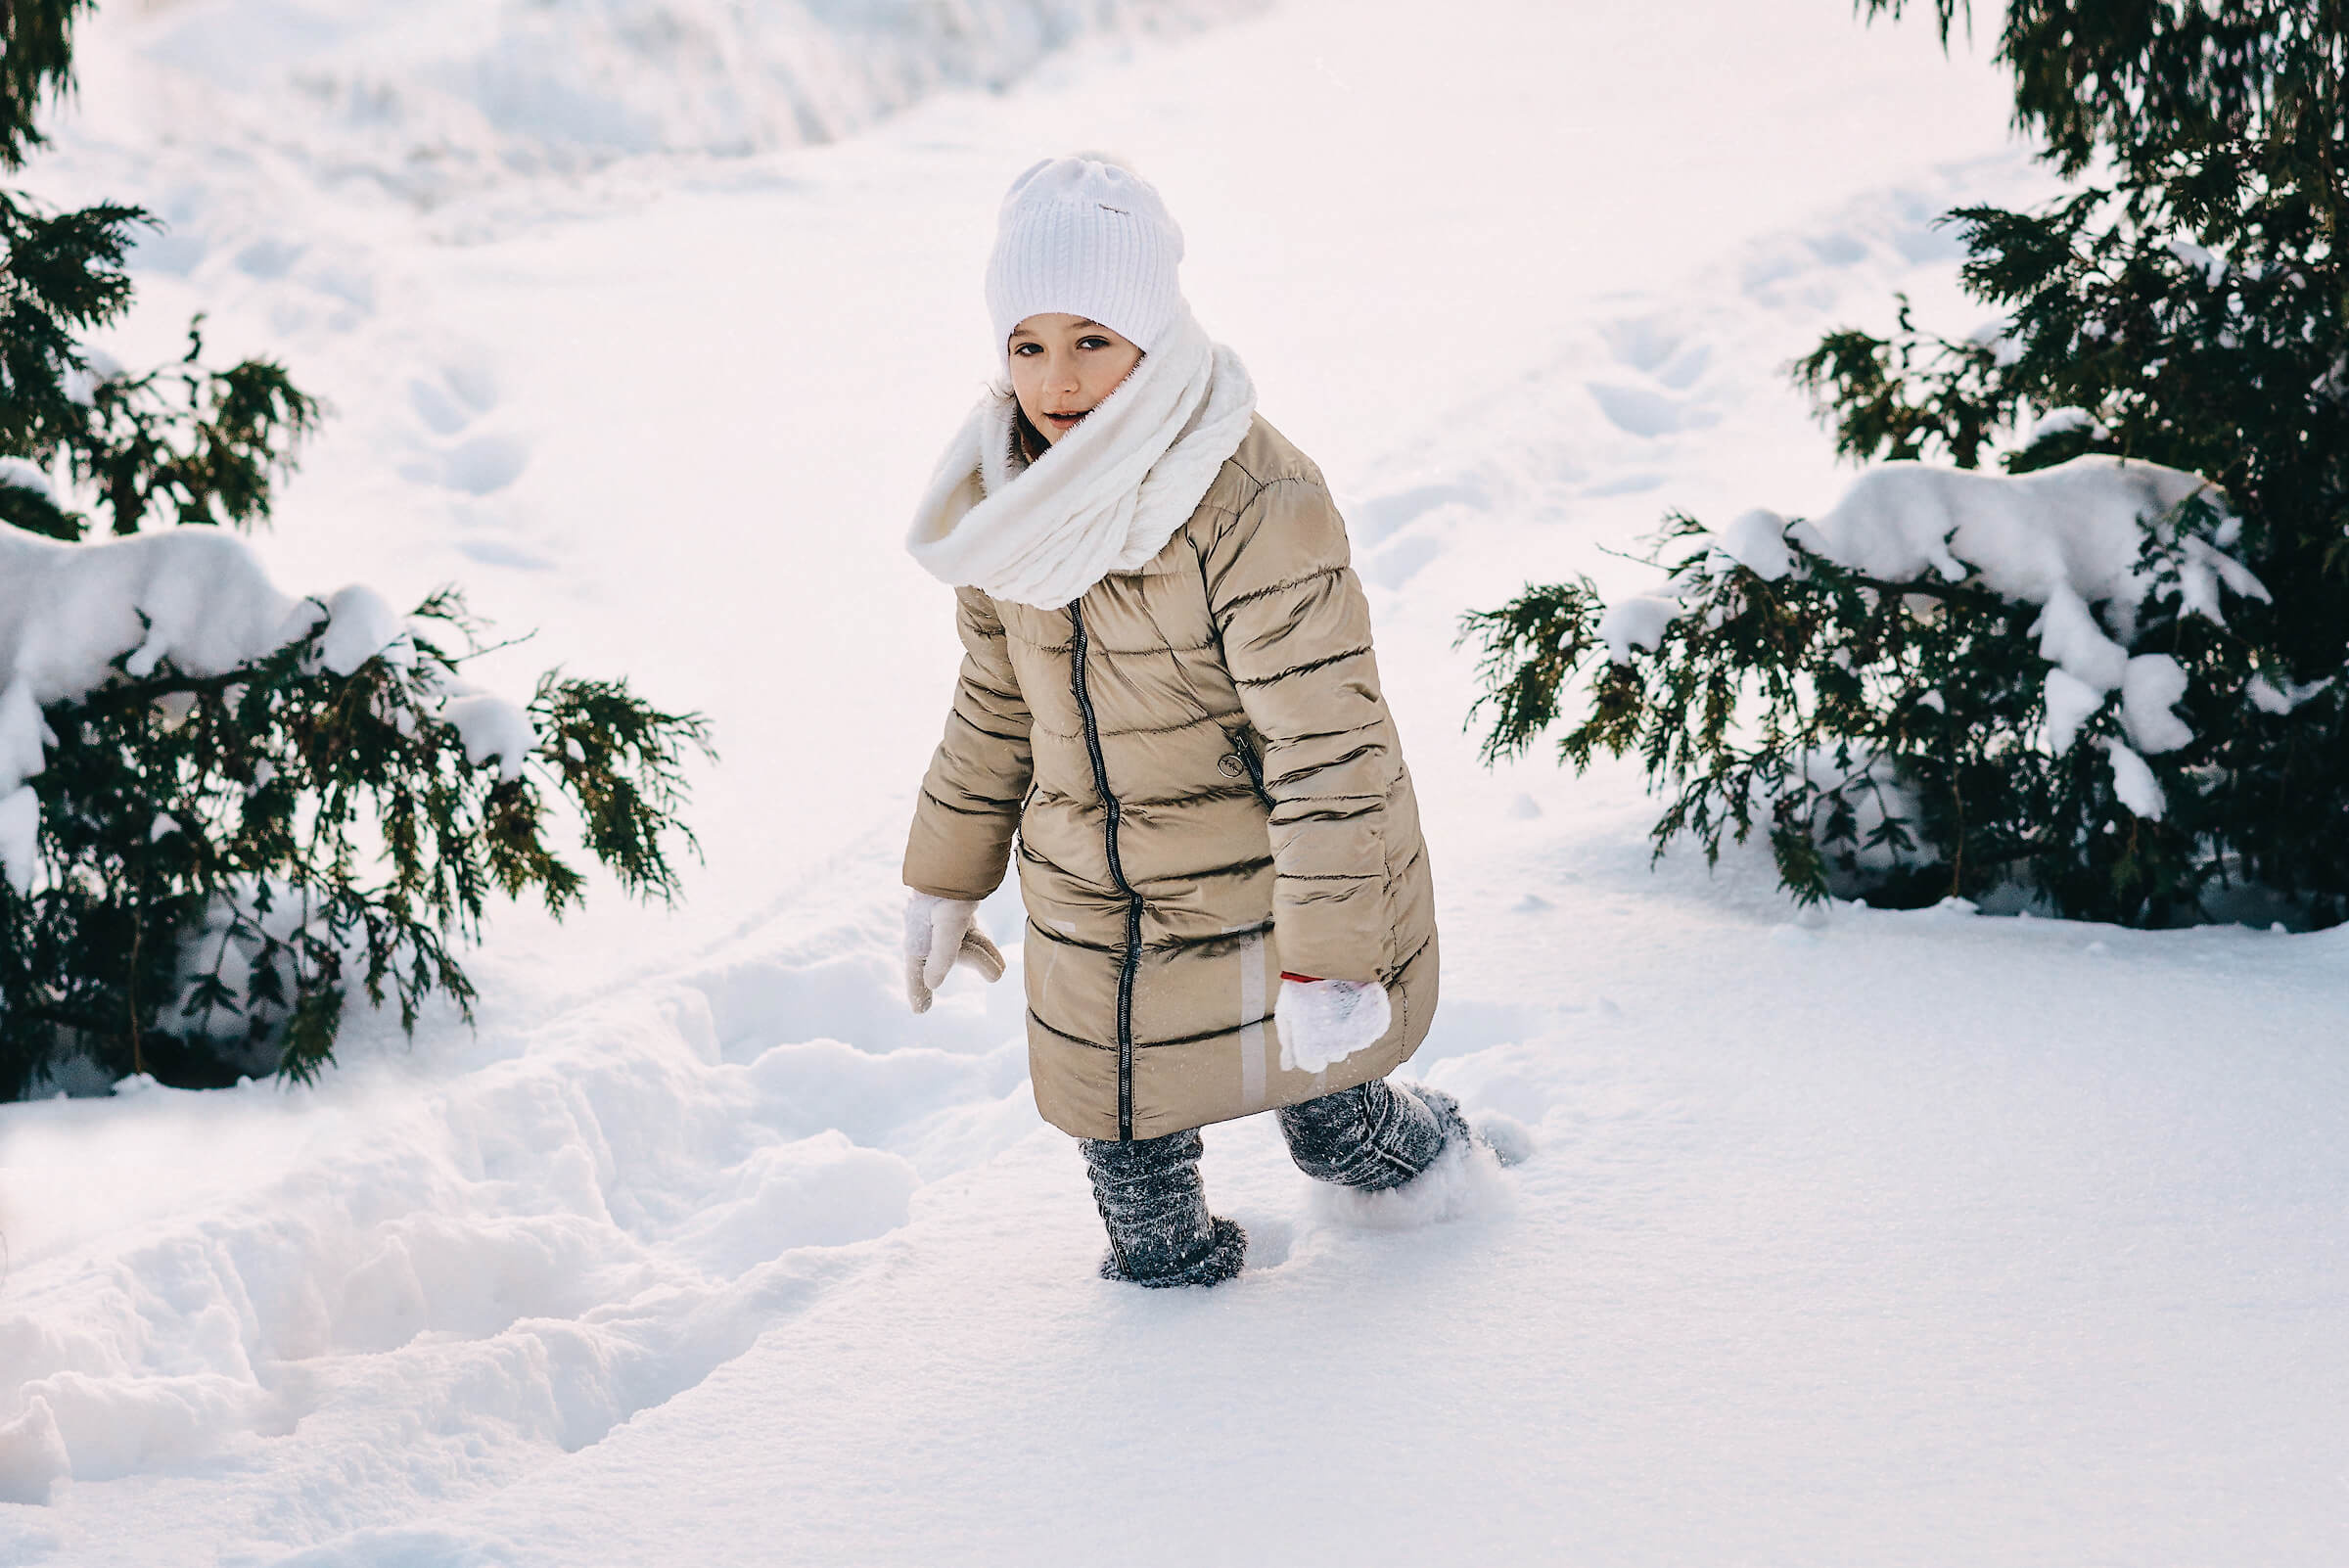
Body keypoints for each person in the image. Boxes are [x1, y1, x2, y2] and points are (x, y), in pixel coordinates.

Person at [898, 154, 1462, 1288]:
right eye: (1029, 343)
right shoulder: (1006, 505)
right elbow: (994, 700)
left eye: (1093, 339)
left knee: (1335, 1121)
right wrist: (945, 873)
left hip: (1259, 887)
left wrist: (1337, 959)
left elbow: (1328, 746)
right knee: (1139, 1190)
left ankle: (1449, 1187)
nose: (1056, 379)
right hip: (1092, 899)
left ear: (1154, 336)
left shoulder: (1248, 499)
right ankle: (1166, 1366)